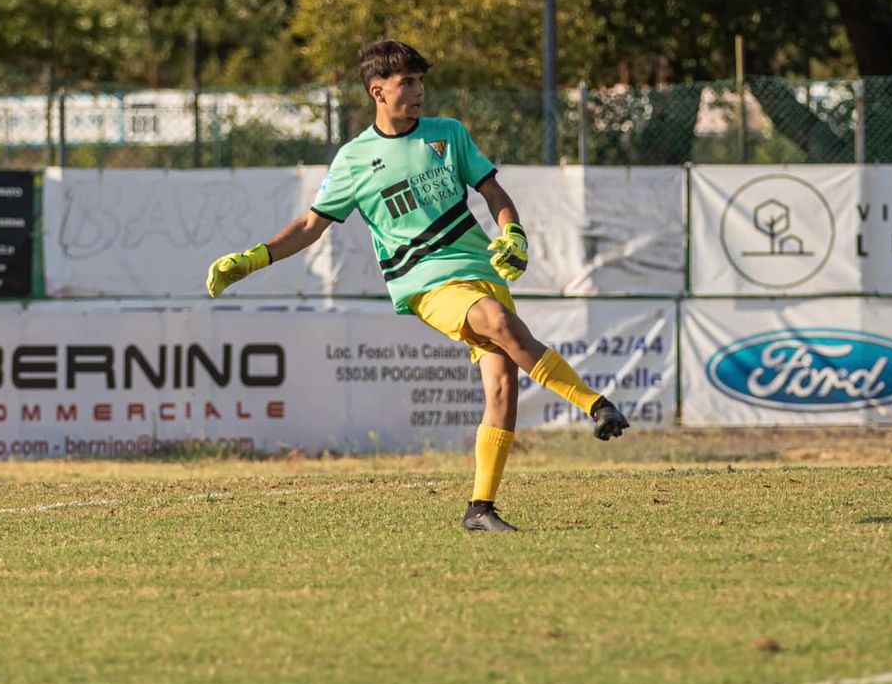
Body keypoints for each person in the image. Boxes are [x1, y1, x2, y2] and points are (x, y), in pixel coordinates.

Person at [206, 39, 628, 532]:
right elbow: (311, 225)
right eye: (407, 82)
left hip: (481, 270)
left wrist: (512, 230)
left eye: (421, 80)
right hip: (425, 283)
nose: (418, 90)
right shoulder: (354, 159)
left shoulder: (447, 134)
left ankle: (480, 508)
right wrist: (255, 258)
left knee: (502, 384)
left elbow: (493, 191)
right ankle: (595, 405)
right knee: (496, 323)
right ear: (377, 91)